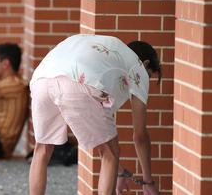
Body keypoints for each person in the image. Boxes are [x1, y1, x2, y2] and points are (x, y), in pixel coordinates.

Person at [28, 34, 162, 195]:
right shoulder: (137, 66)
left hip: (41, 81)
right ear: (146, 63)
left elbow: (100, 130)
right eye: (150, 74)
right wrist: (148, 181)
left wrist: (118, 172)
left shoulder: (110, 54)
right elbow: (140, 135)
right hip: (78, 83)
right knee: (110, 153)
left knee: (42, 149)